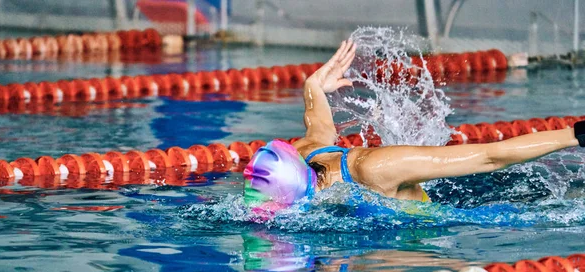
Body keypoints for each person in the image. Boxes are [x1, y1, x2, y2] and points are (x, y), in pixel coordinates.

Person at [243, 40, 583, 209]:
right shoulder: (306, 152)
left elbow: (489, 157)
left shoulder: (376, 169)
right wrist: (314, 86)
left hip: (472, 202)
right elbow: (316, 120)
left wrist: (574, 135)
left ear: (307, 189)